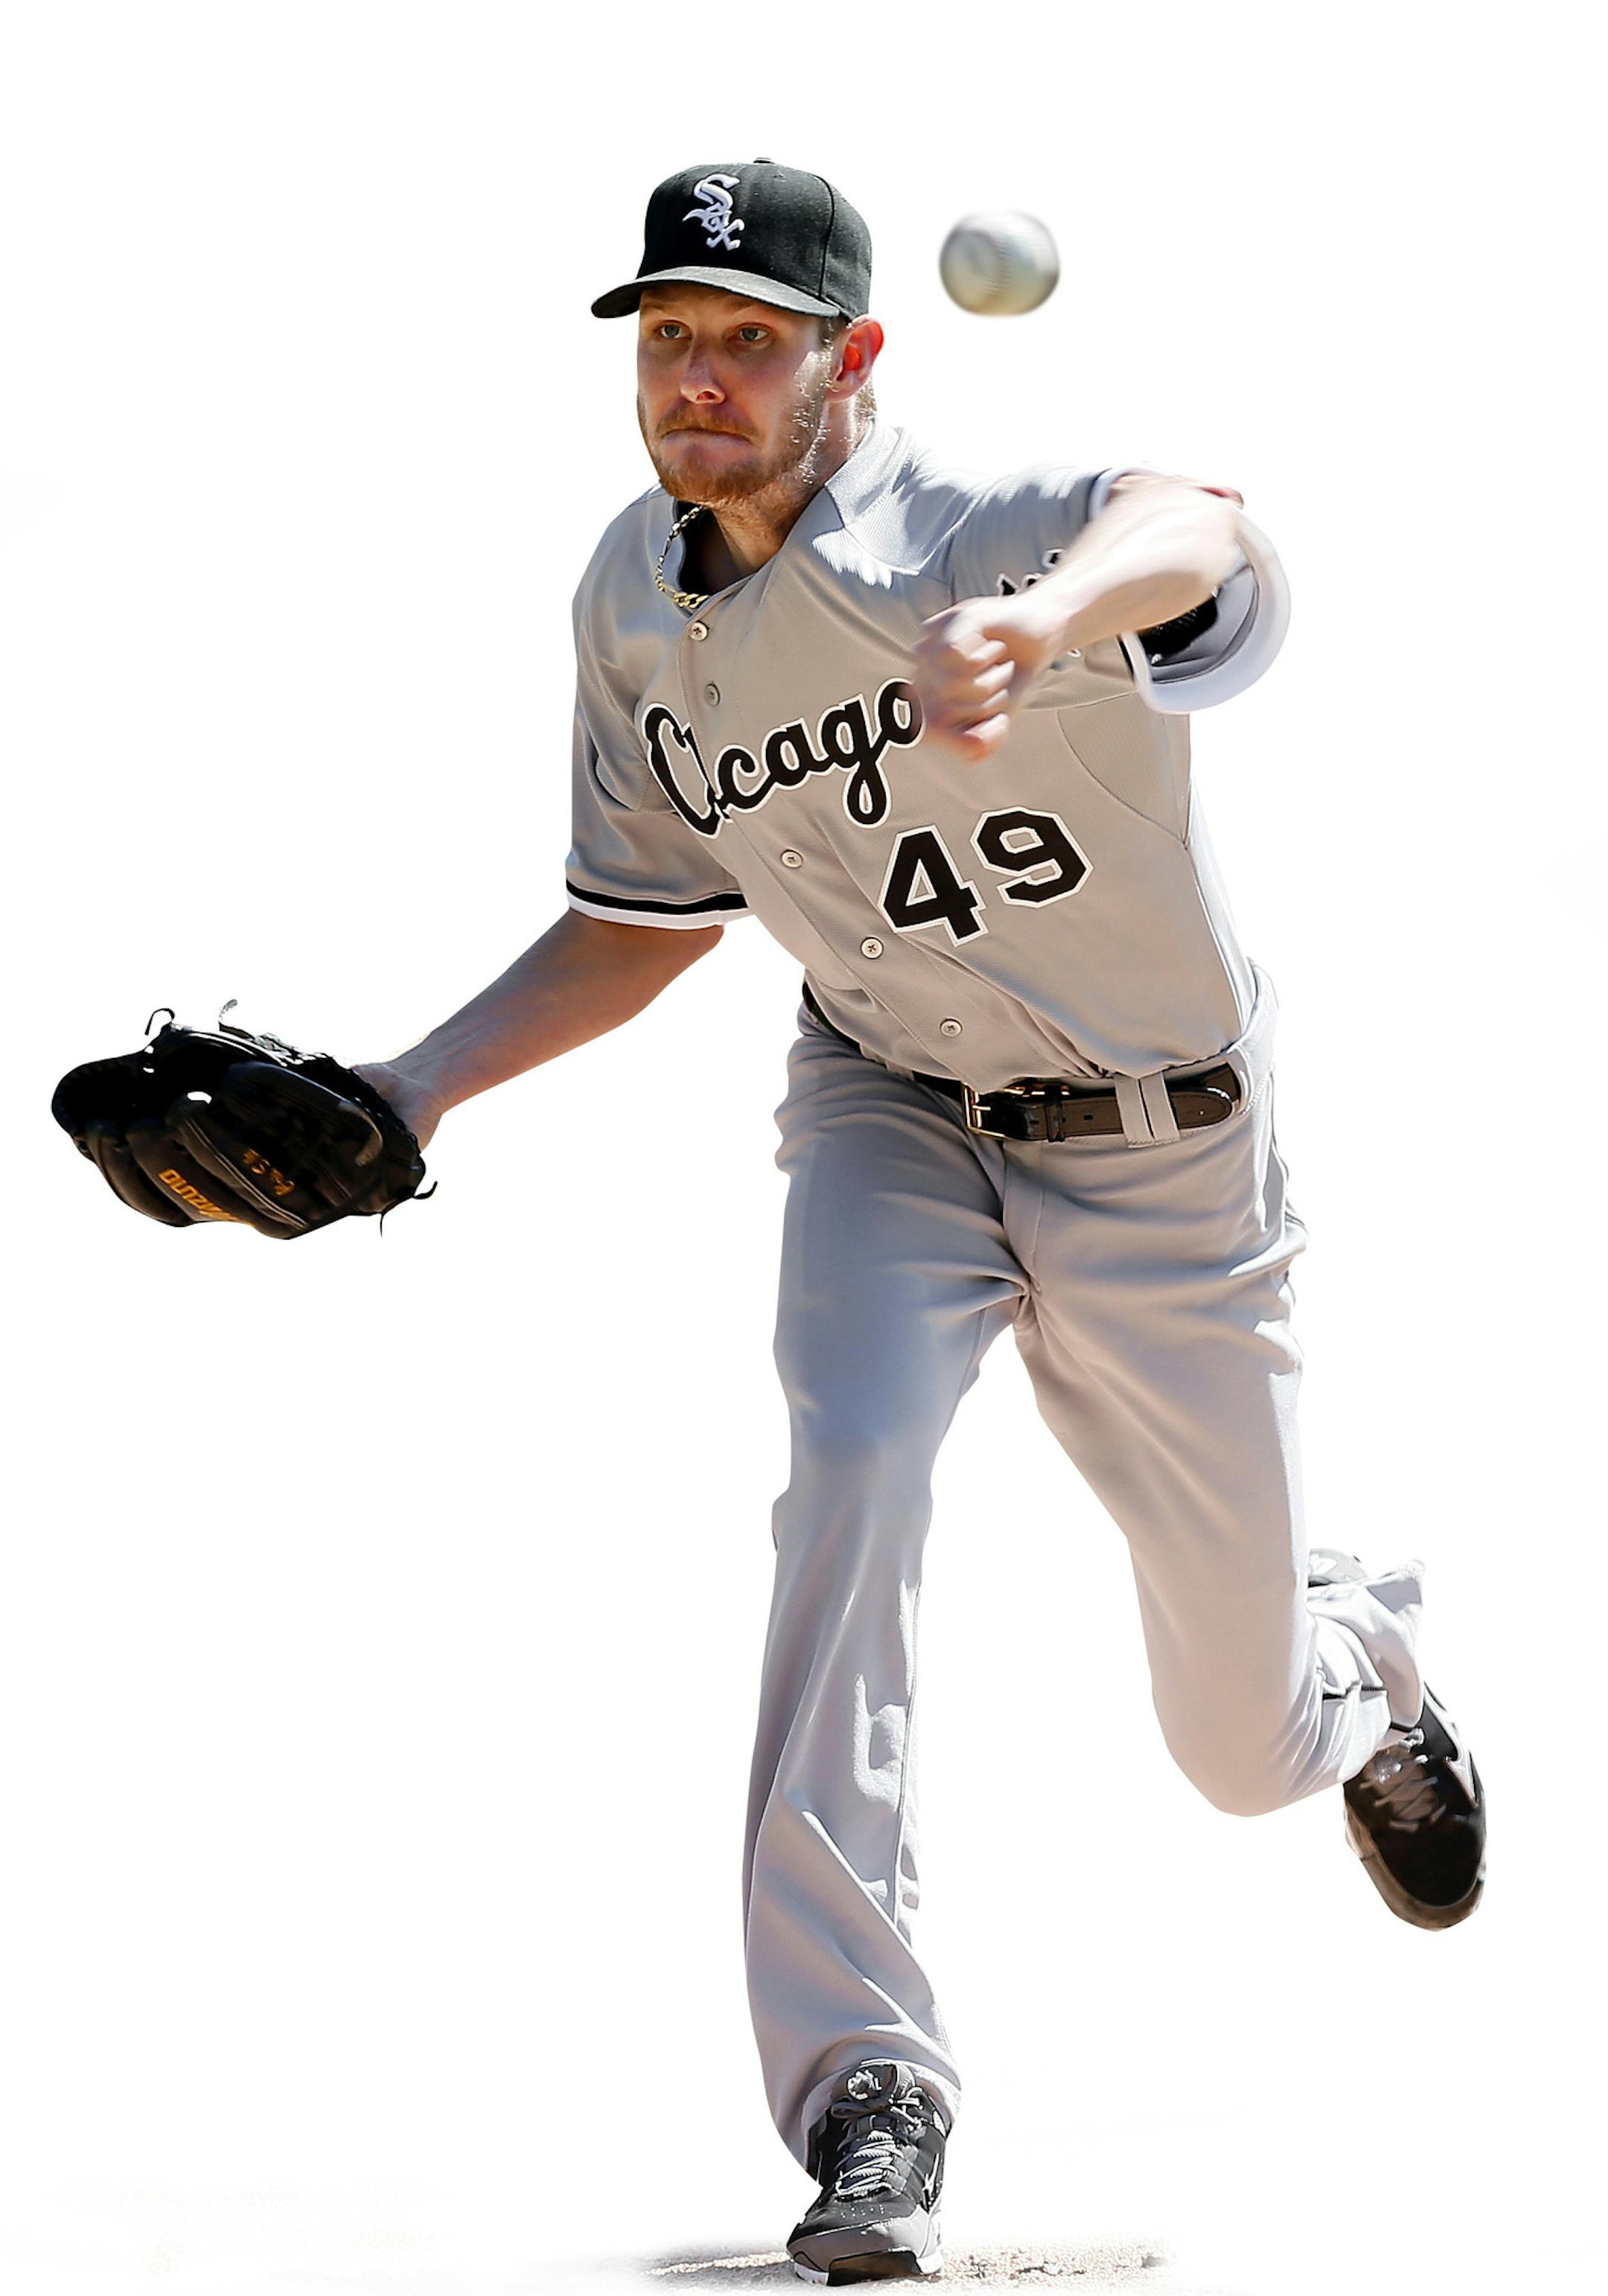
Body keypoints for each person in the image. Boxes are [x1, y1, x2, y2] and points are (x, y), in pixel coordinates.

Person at [357, 159, 1486, 2287]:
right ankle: (871, 2084)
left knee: (1237, 1745)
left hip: (1162, 1151)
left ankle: (1370, 1667)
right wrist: (416, 1091)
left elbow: (1210, 523)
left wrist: (1049, 622)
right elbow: (641, 922)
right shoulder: (630, 597)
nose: (699, 376)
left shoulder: (969, 521)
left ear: (851, 361)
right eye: (670, 335)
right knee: (849, 1470)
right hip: (887, 1101)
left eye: (749, 339)